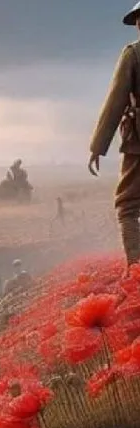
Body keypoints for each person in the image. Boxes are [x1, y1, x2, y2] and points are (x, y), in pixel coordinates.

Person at [89, 3, 140, 266]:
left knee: (127, 204)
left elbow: (115, 102)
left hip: (138, 145)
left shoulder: (133, 54)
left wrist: (98, 146)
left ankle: (136, 268)